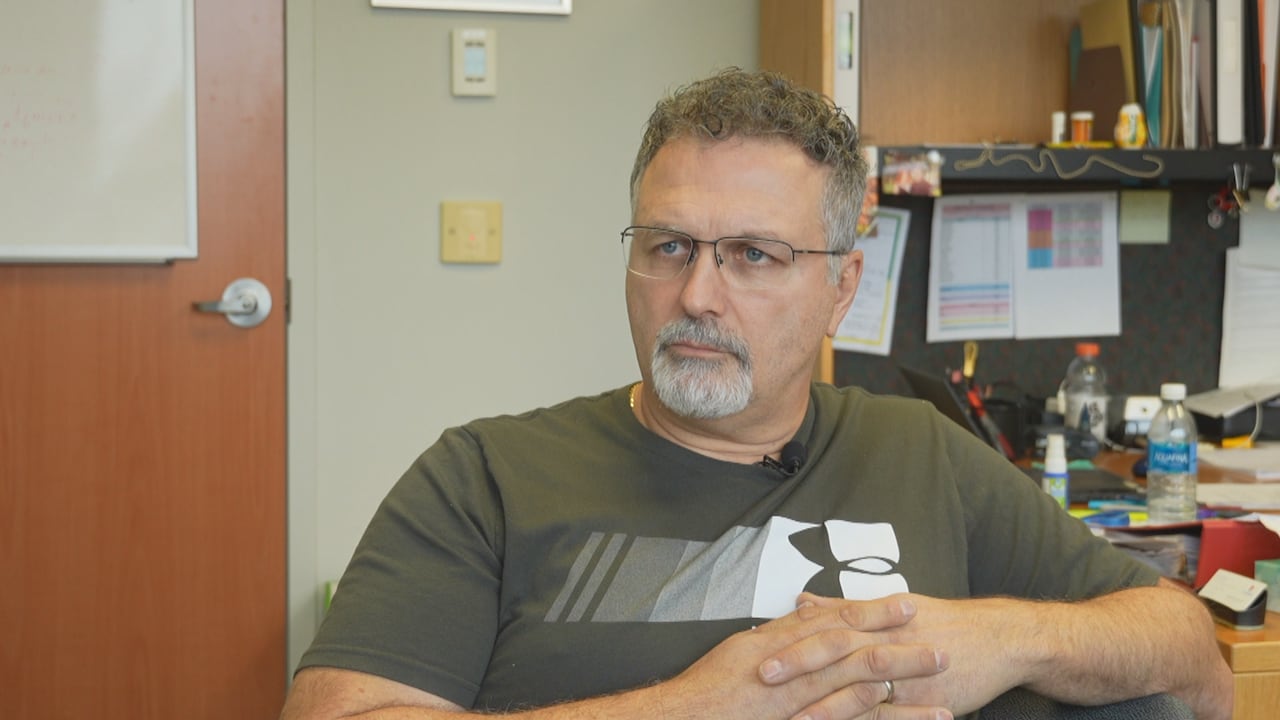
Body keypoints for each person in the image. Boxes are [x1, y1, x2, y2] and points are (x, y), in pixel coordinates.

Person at [281, 68, 1232, 720]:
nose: (696, 295)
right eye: (668, 247)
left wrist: (1001, 636)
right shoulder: (484, 478)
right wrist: (697, 704)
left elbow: (1192, 658)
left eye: (752, 256)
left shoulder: (922, 451)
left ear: (842, 289)